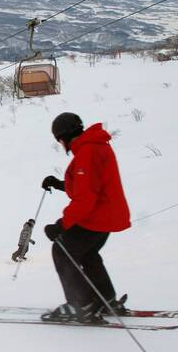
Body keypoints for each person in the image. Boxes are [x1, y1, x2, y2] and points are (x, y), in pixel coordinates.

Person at [40, 113, 131, 323]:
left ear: (63, 137)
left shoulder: (87, 152)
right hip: (106, 216)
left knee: (62, 250)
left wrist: (60, 226)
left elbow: (85, 200)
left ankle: (81, 305)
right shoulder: (95, 146)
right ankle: (106, 300)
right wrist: (59, 183)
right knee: (88, 255)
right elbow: (89, 186)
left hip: (96, 217)